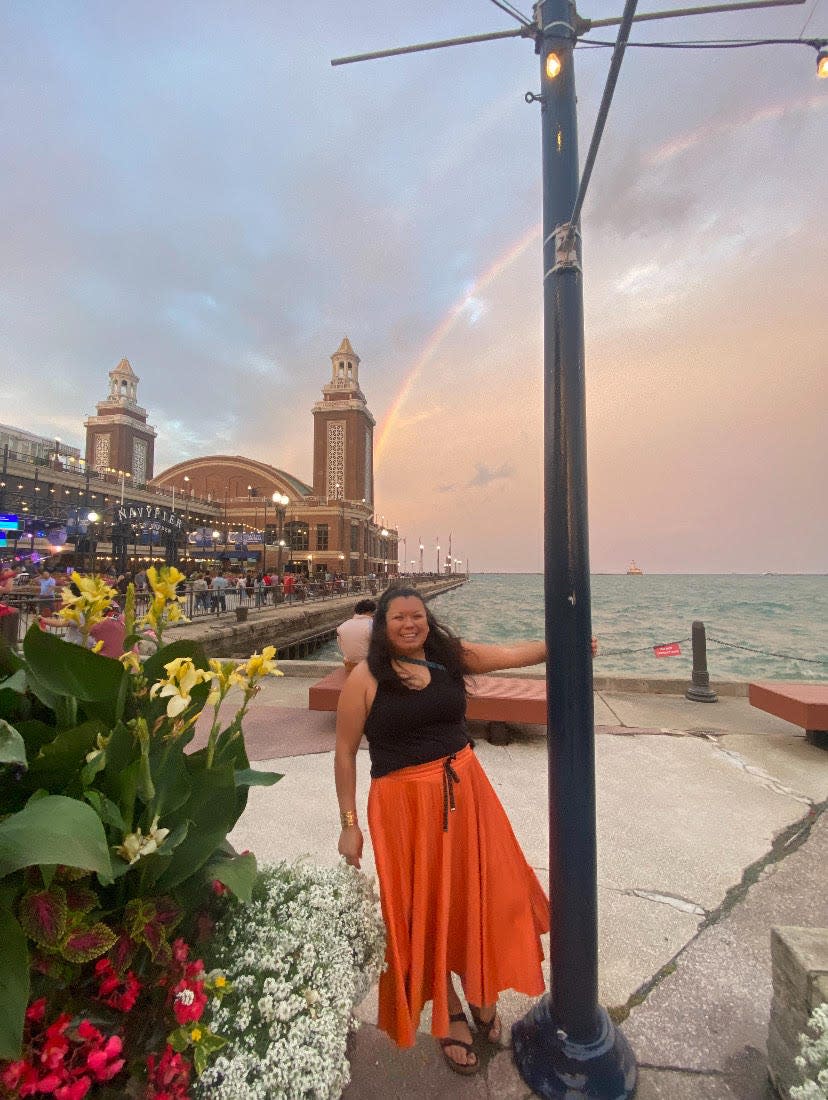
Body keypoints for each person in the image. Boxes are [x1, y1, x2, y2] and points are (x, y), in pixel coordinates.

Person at [334, 587, 550, 1075]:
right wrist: (349, 825)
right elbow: (345, 752)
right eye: (398, 619)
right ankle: (449, 1006)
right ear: (382, 626)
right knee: (424, 908)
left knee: (483, 893)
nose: (410, 625)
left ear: (427, 620)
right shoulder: (367, 679)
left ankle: (479, 985)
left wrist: (559, 646)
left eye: (417, 617)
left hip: (467, 793)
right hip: (402, 807)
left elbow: (509, 655)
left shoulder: (449, 659)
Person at [336, 599, 376, 674]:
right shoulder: (373, 625)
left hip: (349, 665)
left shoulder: (342, 626)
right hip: (368, 668)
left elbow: (341, 646)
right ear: (369, 612)